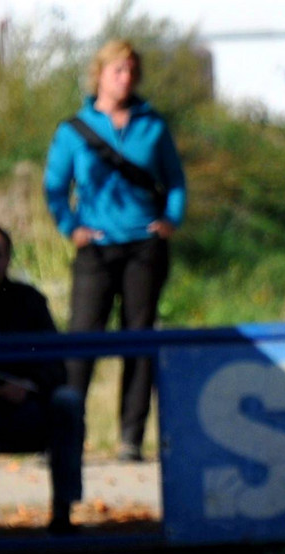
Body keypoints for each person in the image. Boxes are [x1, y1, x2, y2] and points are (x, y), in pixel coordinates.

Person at [43, 38, 185, 464]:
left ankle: (130, 438)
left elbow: (175, 180)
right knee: (81, 339)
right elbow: (54, 187)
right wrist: (72, 228)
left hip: (144, 246)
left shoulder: (152, 126)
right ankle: (64, 438)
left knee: (139, 340)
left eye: (131, 72)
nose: (125, 79)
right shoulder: (73, 130)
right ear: (100, 74)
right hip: (97, 249)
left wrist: (170, 222)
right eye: (117, 70)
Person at [0, 223, 84, 533]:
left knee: (67, 402)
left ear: (8, 259)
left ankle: (63, 515)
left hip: (24, 410)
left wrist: (28, 385)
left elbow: (55, 364)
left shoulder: (29, 301)